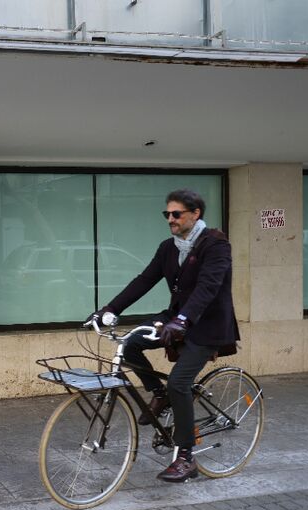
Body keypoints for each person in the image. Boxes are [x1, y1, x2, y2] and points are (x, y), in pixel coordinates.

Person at [89, 189, 239, 483]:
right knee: (131, 342)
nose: (170, 219)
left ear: (195, 214)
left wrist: (183, 319)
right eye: (166, 214)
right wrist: (109, 309)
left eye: (176, 214)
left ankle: (186, 457)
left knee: (179, 383)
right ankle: (159, 394)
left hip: (207, 325)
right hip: (177, 319)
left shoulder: (216, 245)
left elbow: (208, 287)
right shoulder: (168, 248)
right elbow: (144, 280)